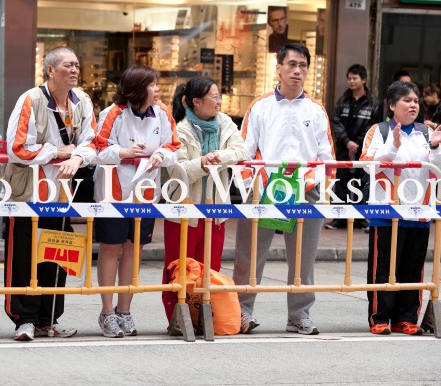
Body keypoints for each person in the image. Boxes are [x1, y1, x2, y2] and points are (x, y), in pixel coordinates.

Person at [232, 43, 334, 335]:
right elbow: (244, 151)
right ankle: (242, 310)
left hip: (306, 190)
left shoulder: (316, 110)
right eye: (291, 64)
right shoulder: (260, 107)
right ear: (278, 68)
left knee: (304, 257)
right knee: (249, 253)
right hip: (263, 188)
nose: (297, 71)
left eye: (303, 65)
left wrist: (319, 189)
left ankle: (299, 315)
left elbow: (326, 156)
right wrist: (251, 185)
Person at [4, 46, 96, 341]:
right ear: (50, 70)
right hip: (28, 192)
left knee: (58, 254)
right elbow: (16, 147)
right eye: (68, 65)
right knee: (24, 256)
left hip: (63, 194)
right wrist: (58, 151)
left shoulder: (82, 101)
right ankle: (25, 320)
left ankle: (50, 319)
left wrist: (77, 158)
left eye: (77, 66)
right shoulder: (30, 99)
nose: (74, 70)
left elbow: (92, 141)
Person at [94, 65, 179, 338]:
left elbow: (174, 146)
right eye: (153, 85)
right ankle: (107, 312)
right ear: (137, 88)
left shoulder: (163, 114)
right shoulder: (113, 113)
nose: (157, 90)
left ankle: (124, 310)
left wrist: (161, 156)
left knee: (134, 250)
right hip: (112, 193)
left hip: (145, 195)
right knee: (110, 248)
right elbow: (97, 147)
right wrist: (123, 152)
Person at [360, 81, 441, 335]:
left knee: (412, 267)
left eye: (415, 101)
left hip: (419, 212)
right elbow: (367, 163)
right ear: (391, 105)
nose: (413, 105)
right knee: (383, 268)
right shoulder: (379, 130)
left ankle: (406, 318)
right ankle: (379, 318)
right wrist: (393, 146)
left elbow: (440, 165)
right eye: (407, 101)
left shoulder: (425, 131)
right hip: (386, 212)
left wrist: (434, 145)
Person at [162, 77, 248, 321]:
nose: (219, 101)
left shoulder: (225, 123)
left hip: (215, 210)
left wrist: (218, 156)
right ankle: (177, 318)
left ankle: (204, 317)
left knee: (210, 268)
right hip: (185, 211)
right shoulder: (181, 129)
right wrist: (202, 163)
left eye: (219, 95)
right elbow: (177, 170)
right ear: (196, 102)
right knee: (179, 267)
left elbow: (242, 150)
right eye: (214, 96)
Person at [325, 64, 381, 231]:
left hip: (363, 149)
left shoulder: (373, 103)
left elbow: (374, 125)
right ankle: (339, 218)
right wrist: (347, 141)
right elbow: (336, 122)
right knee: (341, 181)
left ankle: (360, 218)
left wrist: (359, 142)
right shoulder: (342, 100)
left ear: (363, 80)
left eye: (355, 78)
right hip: (343, 148)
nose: (351, 81)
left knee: (359, 181)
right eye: (349, 78)